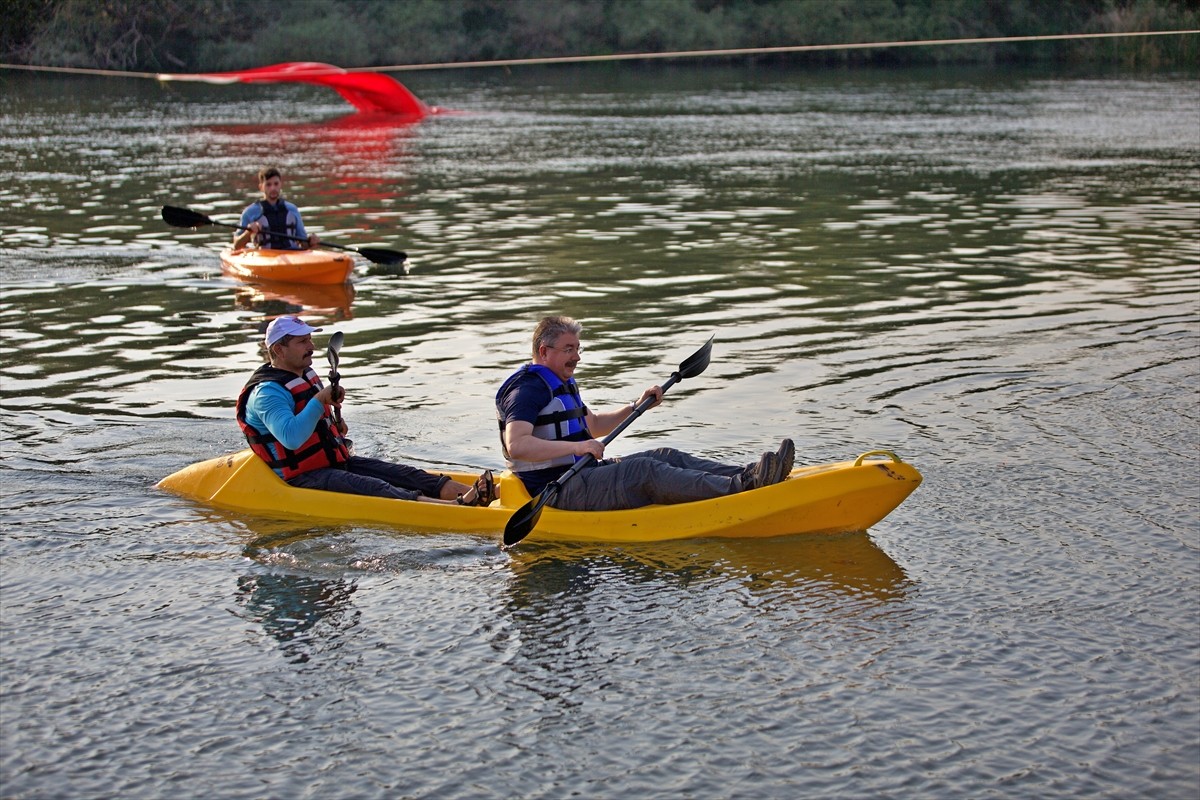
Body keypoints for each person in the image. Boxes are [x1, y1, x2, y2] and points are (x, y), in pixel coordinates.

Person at [495, 315, 794, 511]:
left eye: (578, 348)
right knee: (644, 472)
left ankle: (751, 474)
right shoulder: (527, 390)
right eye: (568, 349)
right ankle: (743, 489)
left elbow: (594, 424)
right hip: (555, 492)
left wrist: (637, 406)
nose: (577, 357)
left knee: (666, 456)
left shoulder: (561, 382)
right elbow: (517, 445)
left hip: (583, 473)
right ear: (544, 351)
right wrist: (579, 447)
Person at [236, 316, 496, 506]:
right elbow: (291, 437)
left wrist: (336, 424)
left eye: (310, 339)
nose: (311, 346)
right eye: (302, 342)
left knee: (408, 475)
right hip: (304, 478)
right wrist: (320, 401)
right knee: (376, 488)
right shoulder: (267, 393)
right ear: (279, 350)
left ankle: (490, 495)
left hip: (335, 463)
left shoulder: (304, 373)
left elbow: (319, 425)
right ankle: (457, 507)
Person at [231, 166, 321, 251]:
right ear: (261, 187)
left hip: (292, 254)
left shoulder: (292, 209)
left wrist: (310, 242)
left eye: (276, 184)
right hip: (265, 257)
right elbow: (237, 245)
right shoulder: (250, 212)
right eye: (268, 185)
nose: (273, 188)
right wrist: (248, 232)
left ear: (280, 184)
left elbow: (303, 244)